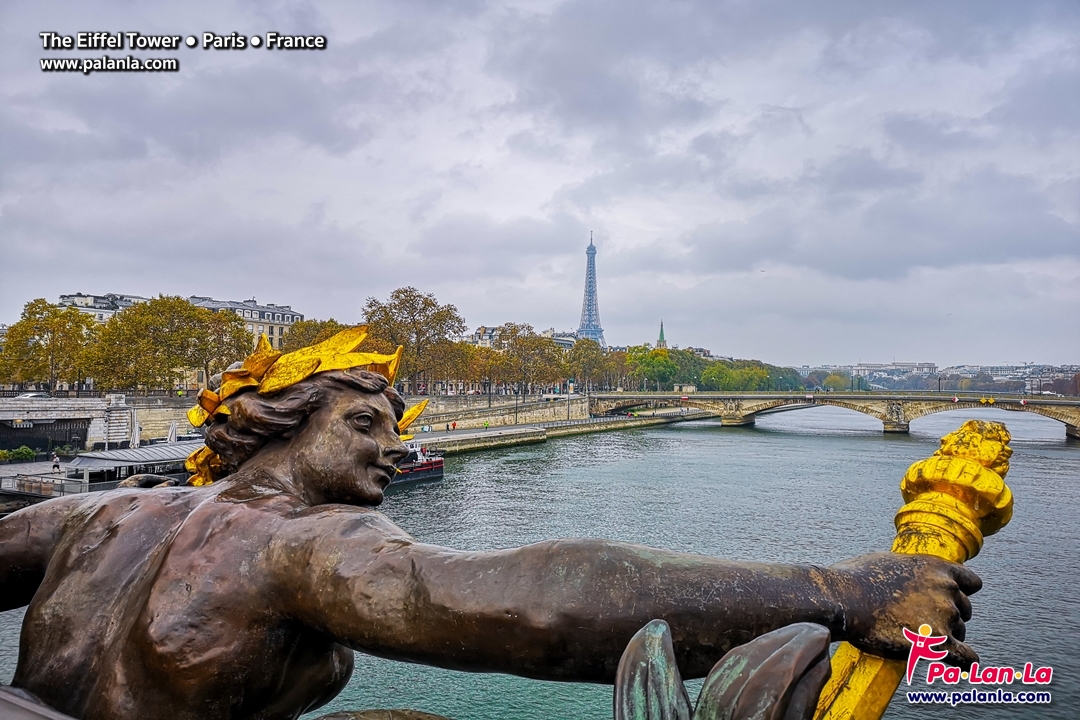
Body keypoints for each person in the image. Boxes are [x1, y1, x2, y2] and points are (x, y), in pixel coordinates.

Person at [0, 337, 980, 720]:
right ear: (279, 422)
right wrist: (839, 590)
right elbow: (534, 605)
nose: (391, 446)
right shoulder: (297, 540)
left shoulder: (104, 511)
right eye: (366, 422)